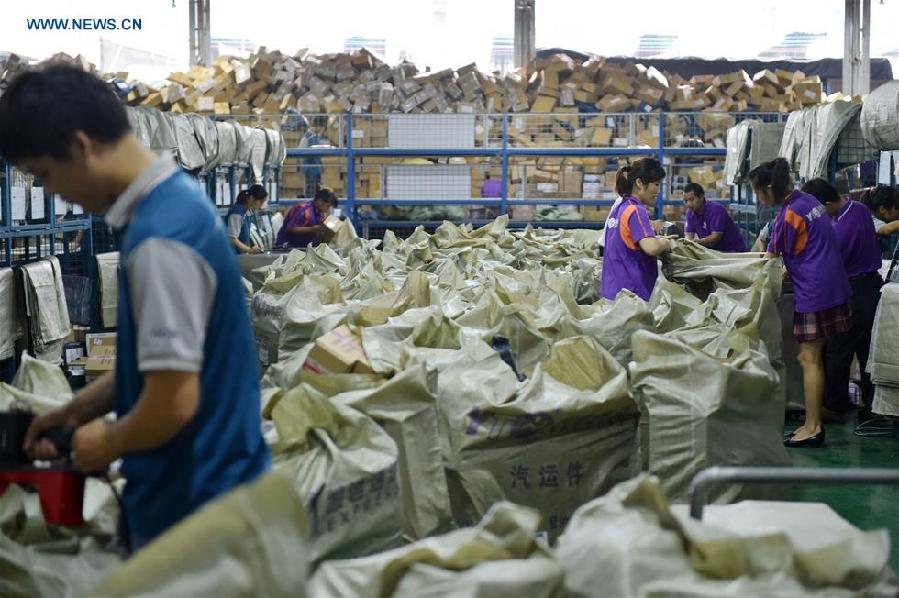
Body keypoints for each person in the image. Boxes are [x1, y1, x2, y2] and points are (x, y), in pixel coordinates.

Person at [0, 64, 270, 551]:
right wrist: (81, 407)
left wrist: (107, 441)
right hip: (217, 491)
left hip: (194, 511)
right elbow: (165, 363)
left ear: (81, 147)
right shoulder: (178, 202)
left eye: (44, 175)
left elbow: (174, 400)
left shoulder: (160, 240)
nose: (51, 192)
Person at [749, 159, 852, 448]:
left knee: (809, 359)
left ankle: (813, 427)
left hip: (816, 292)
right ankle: (813, 423)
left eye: (758, 193)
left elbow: (770, 261)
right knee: (813, 357)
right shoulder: (806, 200)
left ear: (770, 189)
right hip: (833, 286)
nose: (758, 199)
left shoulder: (788, 215)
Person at [802, 178, 883, 418]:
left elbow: (828, 264)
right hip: (869, 287)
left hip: (853, 290)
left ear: (827, 203)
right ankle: (872, 406)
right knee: (866, 348)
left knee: (837, 349)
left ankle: (834, 405)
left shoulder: (841, 230)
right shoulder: (857, 208)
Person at [600, 158, 675, 301]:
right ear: (640, 183)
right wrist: (665, 243)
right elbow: (651, 248)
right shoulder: (636, 211)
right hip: (632, 296)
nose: (658, 191)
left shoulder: (620, 208)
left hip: (612, 292)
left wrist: (655, 239)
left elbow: (626, 244)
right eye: (656, 184)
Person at [682, 182, 747, 252]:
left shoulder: (716, 209)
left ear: (701, 197)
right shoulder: (690, 213)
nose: (688, 204)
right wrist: (688, 242)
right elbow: (688, 235)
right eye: (686, 201)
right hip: (714, 253)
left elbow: (715, 237)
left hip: (734, 252)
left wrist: (696, 242)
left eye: (692, 199)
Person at [227, 184, 268, 254]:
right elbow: (232, 239)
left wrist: (252, 248)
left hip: (240, 253)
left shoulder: (248, 211)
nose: (261, 206)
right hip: (232, 254)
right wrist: (249, 249)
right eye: (260, 202)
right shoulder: (237, 213)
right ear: (251, 198)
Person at [300, 117, 324, 198]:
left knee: (318, 192)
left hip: (316, 169)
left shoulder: (316, 136)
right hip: (309, 169)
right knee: (310, 192)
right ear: (317, 126)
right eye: (322, 127)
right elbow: (299, 150)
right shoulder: (307, 137)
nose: (322, 130)